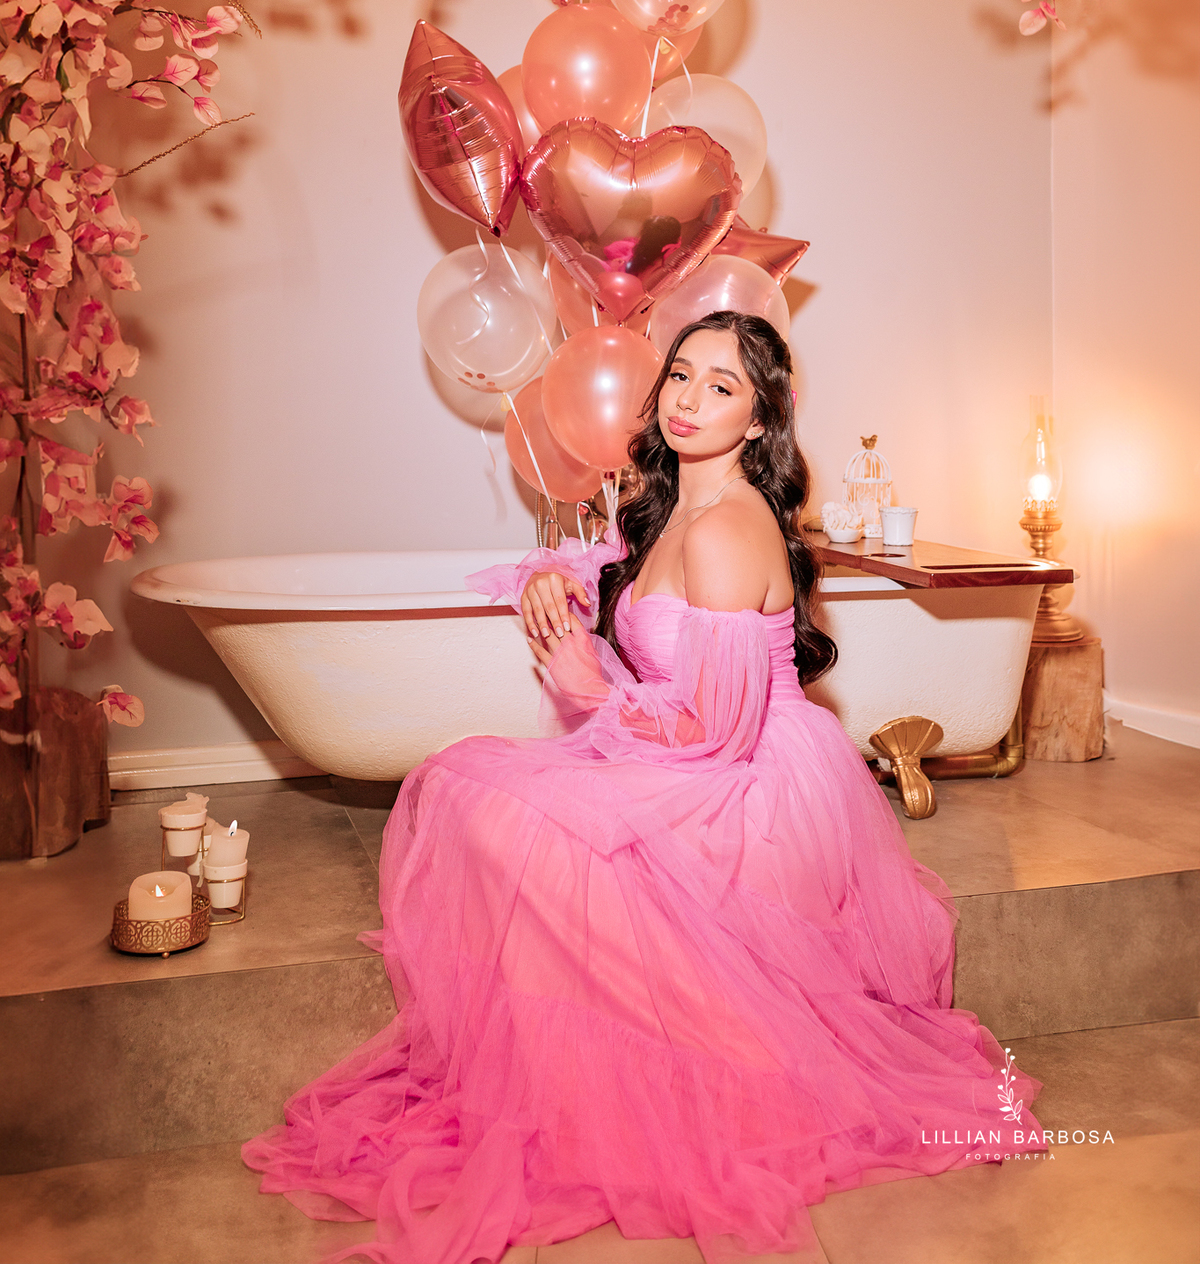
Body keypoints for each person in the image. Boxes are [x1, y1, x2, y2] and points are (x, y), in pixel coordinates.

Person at [244, 311, 1045, 1262]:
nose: (690, 401)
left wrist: (586, 683)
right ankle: (564, 1077)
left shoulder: (728, 529)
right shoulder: (675, 510)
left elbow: (711, 732)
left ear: (759, 422)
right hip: (699, 748)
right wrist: (555, 580)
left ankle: (645, 1074)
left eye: (722, 387)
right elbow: (627, 602)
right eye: (681, 376)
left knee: (494, 806)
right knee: (485, 797)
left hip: (750, 785)